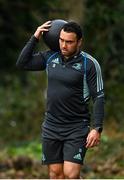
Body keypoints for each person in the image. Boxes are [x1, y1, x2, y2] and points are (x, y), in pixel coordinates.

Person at [16, 20, 104, 179]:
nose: (64, 45)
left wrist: (96, 128)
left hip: (76, 127)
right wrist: (35, 37)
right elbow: (22, 63)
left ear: (79, 42)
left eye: (69, 42)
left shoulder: (89, 64)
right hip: (51, 126)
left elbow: (98, 97)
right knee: (56, 174)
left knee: (71, 174)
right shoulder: (50, 57)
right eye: (61, 40)